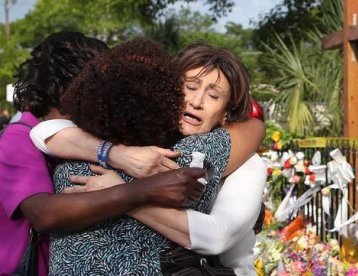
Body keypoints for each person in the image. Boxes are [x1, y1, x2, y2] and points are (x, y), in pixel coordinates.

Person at [32, 42, 266, 275]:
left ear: (227, 113)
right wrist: (116, 155)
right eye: (190, 87)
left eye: (213, 95)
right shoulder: (126, 139)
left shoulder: (241, 162)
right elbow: (45, 131)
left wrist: (122, 193)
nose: (197, 102)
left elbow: (217, 236)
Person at [0, 32, 205, 276]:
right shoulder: (19, 138)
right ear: (72, 81)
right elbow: (43, 214)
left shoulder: (90, 130)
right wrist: (144, 191)